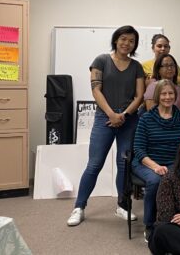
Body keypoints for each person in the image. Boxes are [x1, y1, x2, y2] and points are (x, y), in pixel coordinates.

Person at [67, 25, 145, 226]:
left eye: (131, 41)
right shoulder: (101, 60)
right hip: (104, 119)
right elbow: (96, 90)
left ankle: (122, 205)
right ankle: (79, 207)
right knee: (94, 164)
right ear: (116, 40)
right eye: (123, 39)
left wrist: (124, 114)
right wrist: (112, 114)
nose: (127, 43)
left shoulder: (136, 66)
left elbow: (140, 96)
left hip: (128, 120)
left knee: (123, 164)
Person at [133, 79, 180, 240]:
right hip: (147, 162)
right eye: (163, 93)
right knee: (155, 181)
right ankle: (150, 224)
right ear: (157, 96)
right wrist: (155, 166)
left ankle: (176, 223)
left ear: (175, 96)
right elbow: (139, 149)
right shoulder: (146, 119)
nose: (167, 97)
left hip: (174, 162)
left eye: (170, 93)